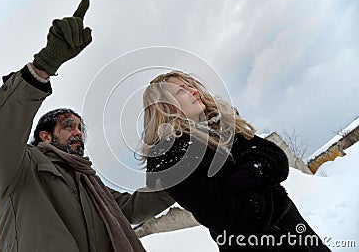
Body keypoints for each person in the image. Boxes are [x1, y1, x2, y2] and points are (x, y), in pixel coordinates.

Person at [0, 0, 173, 252]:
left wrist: (177, 173)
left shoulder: (91, 184)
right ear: (45, 136)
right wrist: (43, 66)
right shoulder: (20, 167)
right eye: (68, 125)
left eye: (80, 127)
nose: (78, 132)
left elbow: (132, 208)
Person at [140, 70, 331, 251]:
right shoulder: (171, 160)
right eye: (182, 90)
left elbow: (276, 158)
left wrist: (248, 176)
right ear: (165, 107)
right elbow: (230, 217)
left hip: (296, 230)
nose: (194, 91)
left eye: (191, 85)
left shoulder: (221, 127)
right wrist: (272, 192)